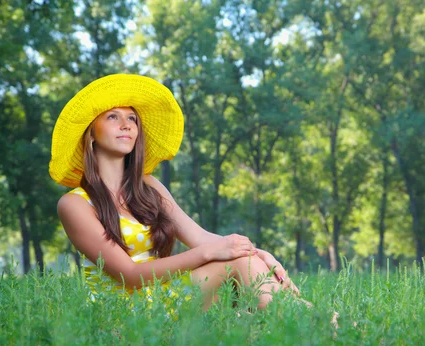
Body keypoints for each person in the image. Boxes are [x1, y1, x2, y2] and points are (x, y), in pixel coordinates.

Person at [50, 74, 301, 311]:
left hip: (164, 295)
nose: (126, 125)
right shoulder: (74, 204)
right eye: (113, 117)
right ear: (91, 134)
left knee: (246, 263)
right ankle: (310, 322)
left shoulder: (147, 186)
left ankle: (310, 320)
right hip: (125, 313)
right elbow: (129, 276)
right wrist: (209, 253)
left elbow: (200, 237)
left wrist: (258, 254)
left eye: (132, 119)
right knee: (237, 266)